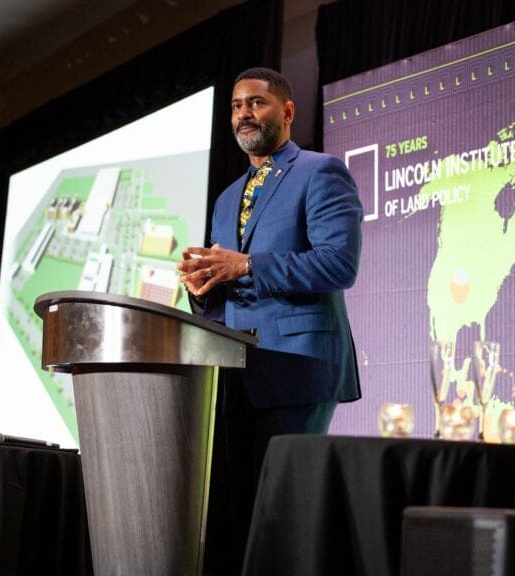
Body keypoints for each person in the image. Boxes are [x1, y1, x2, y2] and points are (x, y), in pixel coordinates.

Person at [177, 67, 363, 573]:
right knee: (242, 520)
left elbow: (338, 264)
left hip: (298, 368)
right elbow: (230, 291)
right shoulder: (225, 197)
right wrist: (202, 291)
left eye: (256, 103)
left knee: (285, 517)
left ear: (287, 111)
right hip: (236, 374)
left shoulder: (320, 172)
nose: (244, 114)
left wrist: (247, 264)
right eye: (237, 106)